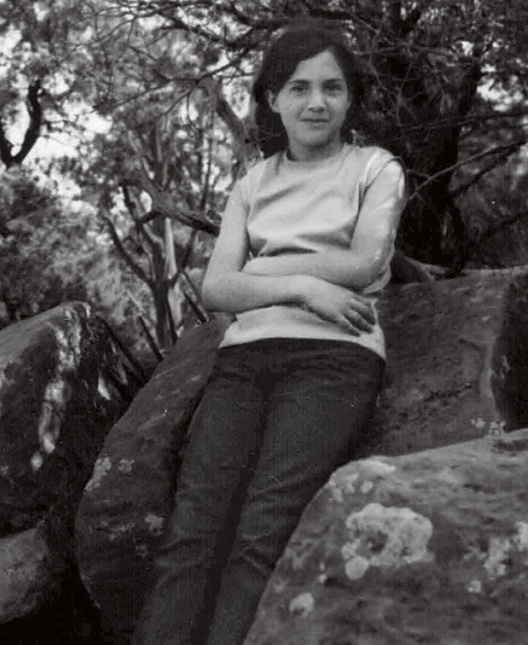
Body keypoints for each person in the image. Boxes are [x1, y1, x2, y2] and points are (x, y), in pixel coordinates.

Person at [132, 25, 406, 645]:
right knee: (193, 533)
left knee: (264, 531)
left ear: (351, 98)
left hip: (334, 363)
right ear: (272, 98)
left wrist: (260, 269)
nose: (317, 102)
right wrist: (305, 287)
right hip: (243, 364)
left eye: (332, 88)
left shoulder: (375, 169)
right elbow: (215, 291)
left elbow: (364, 263)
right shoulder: (253, 182)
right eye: (299, 88)